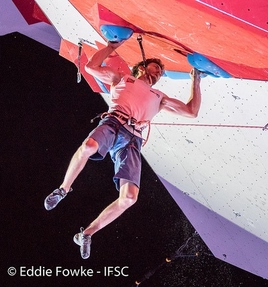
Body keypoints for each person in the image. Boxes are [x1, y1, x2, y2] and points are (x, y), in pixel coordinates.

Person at [44, 40, 202, 259]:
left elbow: (192, 111)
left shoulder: (160, 98)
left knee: (129, 198)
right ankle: (63, 189)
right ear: (140, 68)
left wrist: (196, 80)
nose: (158, 73)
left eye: (160, 73)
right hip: (114, 122)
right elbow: (91, 67)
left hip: (132, 139)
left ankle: (87, 233)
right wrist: (111, 46)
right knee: (89, 146)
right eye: (155, 68)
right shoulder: (121, 79)